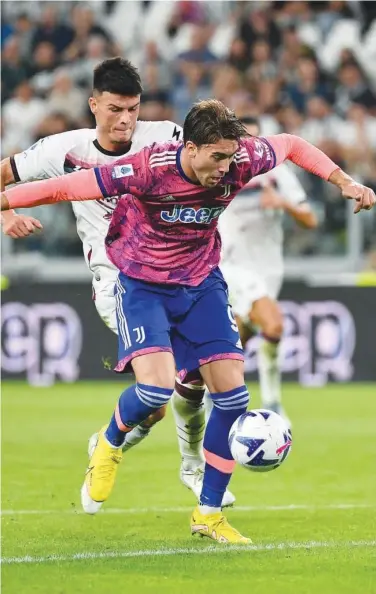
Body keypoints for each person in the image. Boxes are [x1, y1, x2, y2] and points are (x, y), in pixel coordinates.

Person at [2, 100, 374, 544]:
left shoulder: (241, 159)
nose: (225, 168)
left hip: (201, 284)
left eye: (231, 157)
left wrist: (344, 181)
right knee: (155, 390)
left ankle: (208, 515)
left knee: (233, 399)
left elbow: (292, 145)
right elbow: (66, 188)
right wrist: (4, 201)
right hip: (142, 286)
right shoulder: (147, 168)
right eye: (216, 157)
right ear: (191, 148)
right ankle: (109, 442)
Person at [0, 58, 235, 508]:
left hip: (178, 275)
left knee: (197, 381)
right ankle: (115, 445)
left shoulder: (165, 136)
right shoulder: (62, 150)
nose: (125, 119)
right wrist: (7, 214)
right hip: (118, 282)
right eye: (114, 109)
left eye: (132, 109)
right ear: (93, 105)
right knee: (160, 395)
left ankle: (191, 465)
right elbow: (6, 174)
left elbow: (212, 156)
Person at [219, 116, 318, 422]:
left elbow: (310, 220)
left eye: (255, 141)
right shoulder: (220, 172)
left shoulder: (277, 172)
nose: (249, 150)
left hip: (269, 268)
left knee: (238, 338)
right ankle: (273, 401)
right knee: (274, 326)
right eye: (243, 142)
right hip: (232, 264)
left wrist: (283, 204)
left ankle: (207, 395)